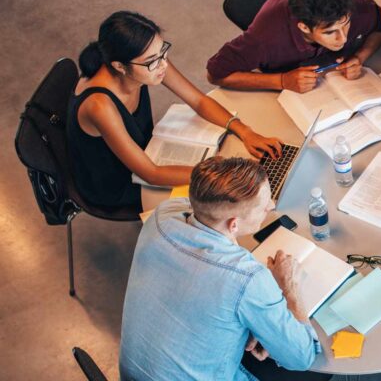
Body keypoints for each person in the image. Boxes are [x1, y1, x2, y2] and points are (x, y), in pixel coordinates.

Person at [120, 156, 322, 380]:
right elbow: (303, 357)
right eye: (264, 206)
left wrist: (250, 325)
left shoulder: (163, 214)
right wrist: (288, 287)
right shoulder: (248, 279)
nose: (271, 205)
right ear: (234, 224)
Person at [67, 11, 282, 213]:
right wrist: (223, 172)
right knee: (220, 203)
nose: (162, 65)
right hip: (117, 181)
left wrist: (244, 131)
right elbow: (150, 174)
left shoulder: (147, 60)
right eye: (152, 61)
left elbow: (198, 101)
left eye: (163, 52)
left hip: (146, 151)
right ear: (120, 67)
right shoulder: (99, 106)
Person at [207, 0, 381, 93]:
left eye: (346, 24)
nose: (343, 37)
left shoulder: (351, 6)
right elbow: (216, 74)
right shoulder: (266, 38)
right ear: (304, 27)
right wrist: (282, 81)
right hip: (290, 90)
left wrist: (360, 57)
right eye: (330, 32)